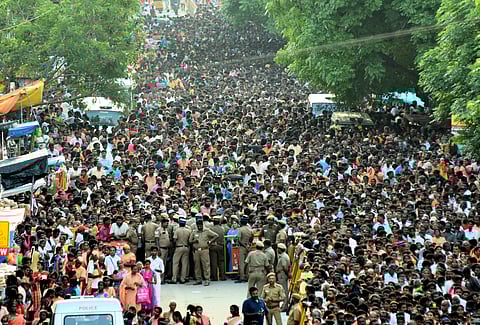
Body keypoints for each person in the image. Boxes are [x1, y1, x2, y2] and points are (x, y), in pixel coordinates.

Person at [189, 220, 219, 286]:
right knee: (197, 266)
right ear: (197, 225)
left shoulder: (207, 231)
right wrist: (194, 241)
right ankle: (198, 279)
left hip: (204, 250)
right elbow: (190, 241)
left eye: (201, 225)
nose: (200, 227)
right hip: (196, 251)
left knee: (206, 265)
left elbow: (216, 235)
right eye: (198, 226)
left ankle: (207, 279)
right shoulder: (194, 232)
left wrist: (210, 242)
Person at [172, 218, 191, 284]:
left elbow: (174, 239)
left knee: (175, 263)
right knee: (184, 264)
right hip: (186, 247)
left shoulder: (177, 231)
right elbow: (190, 240)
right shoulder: (188, 231)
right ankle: (183, 278)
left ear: (179, 223)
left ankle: (174, 278)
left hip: (178, 247)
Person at [236, 217, 253, 283]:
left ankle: (242, 277)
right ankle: (247, 276)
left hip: (242, 247)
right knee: (247, 262)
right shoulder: (250, 229)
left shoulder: (240, 229)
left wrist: (244, 246)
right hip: (248, 246)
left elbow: (239, 239)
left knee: (241, 263)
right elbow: (252, 237)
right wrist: (249, 244)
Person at [209, 216, 226, 281]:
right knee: (221, 261)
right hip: (221, 246)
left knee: (214, 262)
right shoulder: (222, 229)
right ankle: (223, 276)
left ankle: (215, 277)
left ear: (213, 222)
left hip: (213, 246)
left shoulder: (211, 229)